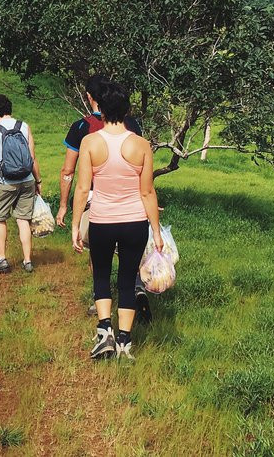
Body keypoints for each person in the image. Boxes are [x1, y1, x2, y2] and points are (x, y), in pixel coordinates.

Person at [72, 81, 163, 360]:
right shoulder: (141, 145)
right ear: (127, 110)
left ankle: (104, 334)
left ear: (99, 108)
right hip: (134, 223)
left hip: (101, 220)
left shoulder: (90, 142)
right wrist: (156, 232)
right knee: (126, 279)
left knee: (101, 275)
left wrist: (76, 225)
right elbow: (147, 191)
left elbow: (82, 187)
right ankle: (125, 342)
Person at [57, 74, 151, 321]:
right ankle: (135, 289)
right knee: (129, 259)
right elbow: (144, 179)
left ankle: (101, 307)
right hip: (133, 204)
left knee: (99, 261)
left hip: (97, 202)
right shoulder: (132, 126)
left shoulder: (82, 129)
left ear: (91, 98)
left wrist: (65, 208)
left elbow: (69, 172)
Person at [0, 94, 42, 273]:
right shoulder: (24, 126)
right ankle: (28, 261)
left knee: (0, 219)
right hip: (28, 180)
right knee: (23, 219)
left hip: (6, 182)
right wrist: (38, 180)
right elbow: (32, 158)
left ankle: (2, 259)